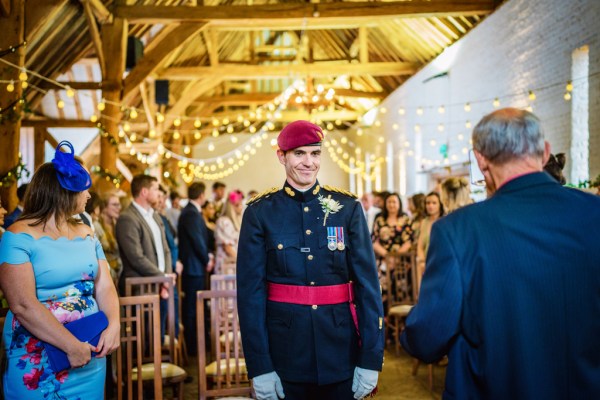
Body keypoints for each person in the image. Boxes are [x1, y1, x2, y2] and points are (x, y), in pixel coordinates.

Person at [400, 108, 600, 399]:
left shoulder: (457, 230)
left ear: (481, 160)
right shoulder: (594, 213)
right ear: (545, 153)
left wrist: (409, 331)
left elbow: (430, 336)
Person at [237, 120, 384, 400]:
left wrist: (371, 358)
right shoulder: (259, 213)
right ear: (282, 156)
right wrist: (260, 366)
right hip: (285, 356)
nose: (308, 162)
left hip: (341, 352)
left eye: (315, 153)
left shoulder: (348, 209)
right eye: (299, 153)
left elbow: (368, 288)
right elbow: (250, 295)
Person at [0, 141, 120, 399]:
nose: (89, 196)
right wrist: (70, 346)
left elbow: (104, 285)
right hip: (38, 356)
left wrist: (114, 325)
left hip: (90, 353)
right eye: (84, 190)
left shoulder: (87, 232)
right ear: (64, 191)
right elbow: (22, 304)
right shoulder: (17, 236)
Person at [115, 174, 172, 294]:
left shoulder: (155, 215)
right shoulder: (127, 218)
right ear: (144, 192)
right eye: (156, 189)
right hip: (141, 287)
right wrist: (162, 276)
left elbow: (166, 249)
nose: (158, 193)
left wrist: (166, 277)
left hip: (161, 285)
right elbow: (136, 257)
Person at [178, 181, 212, 356]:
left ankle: (198, 343)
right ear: (201, 195)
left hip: (195, 267)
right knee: (192, 308)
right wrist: (207, 259)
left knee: (196, 307)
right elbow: (197, 240)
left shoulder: (192, 212)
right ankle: (193, 348)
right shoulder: (190, 213)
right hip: (193, 268)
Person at [415, 191, 444, 289]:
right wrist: (423, 261)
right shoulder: (424, 222)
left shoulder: (445, 220)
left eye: (434, 203)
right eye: (428, 203)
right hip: (426, 262)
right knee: (419, 265)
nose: (430, 206)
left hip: (442, 260)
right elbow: (420, 246)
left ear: (440, 204)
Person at [94, 191, 123, 287]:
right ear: (105, 207)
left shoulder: (118, 224)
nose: (118, 208)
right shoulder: (97, 226)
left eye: (119, 205)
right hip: (105, 276)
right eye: (114, 205)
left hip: (119, 274)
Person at [214, 190, 244, 274]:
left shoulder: (235, 221)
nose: (241, 207)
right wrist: (242, 262)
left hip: (234, 263)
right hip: (227, 265)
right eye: (239, 205)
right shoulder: (224, 221)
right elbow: (227, 247)